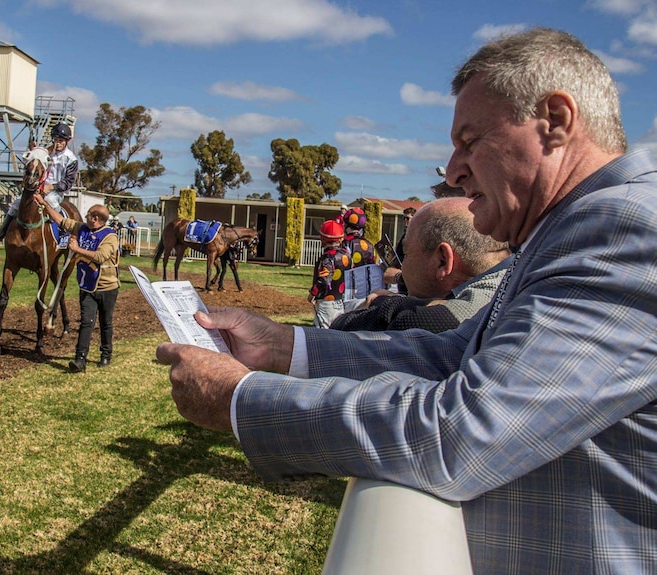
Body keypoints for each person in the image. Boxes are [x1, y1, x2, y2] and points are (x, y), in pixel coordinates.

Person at [156, 28, 657, 574]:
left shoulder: (622, 229)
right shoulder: (574, 230)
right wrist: (282, 347)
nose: (453, 169)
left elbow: (460, 434)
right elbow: (451, 356)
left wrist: (240, 398)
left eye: (469, 141)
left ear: (555, 122)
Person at [331, 197, 511, 332]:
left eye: (406, 253)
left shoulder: (440, 319)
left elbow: (341, 326)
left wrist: (380, 304)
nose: (403, 263)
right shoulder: (513, 283)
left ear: (442, 261)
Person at [34, 194, 119, 373]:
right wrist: (44, 204)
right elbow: (61, 221)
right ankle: (80, 360)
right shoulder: (82, 228)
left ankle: (105, 354)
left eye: (88, 214)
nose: (85, 216)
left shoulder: (110, 236)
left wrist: (76, 249)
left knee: (106, 322)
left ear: (96, 218)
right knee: (86, 322)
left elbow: (100, 256)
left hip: (107, 287)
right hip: (87, 286)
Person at [0, 123, 79, 244]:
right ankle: (1, 232)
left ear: (66, 141)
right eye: (56, 140)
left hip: (55, 191)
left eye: (61, 141)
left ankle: (63, 228)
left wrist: (50, 187)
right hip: (38, 187)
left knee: (51, 201)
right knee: (16, 204)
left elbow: (69, 182)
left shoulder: (71, 158)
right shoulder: (47, 153)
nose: (57, 143)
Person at [307, 220, 350, 328]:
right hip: (340, 300)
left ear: (323, 239)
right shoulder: (346, 255)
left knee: (323, 334)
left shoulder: (328, 257)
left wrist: (313, 294)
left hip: (326, 303)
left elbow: (324, 279)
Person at [339, 207, 376, 312]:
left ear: (346, 225)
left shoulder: (345, 244)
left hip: (349, 290)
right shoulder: (369, 245)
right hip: (366, 289)